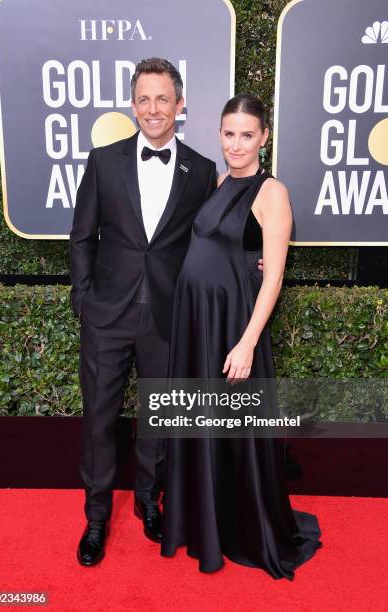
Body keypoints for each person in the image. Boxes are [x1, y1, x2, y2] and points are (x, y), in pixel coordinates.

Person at [161, 94, 322, 579]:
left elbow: (272, 275)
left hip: (231, 327)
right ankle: (202, 519)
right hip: (197, 323)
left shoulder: (273, 193)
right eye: (229, 133)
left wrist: (247, 341)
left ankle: (236, 526)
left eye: (246, 135)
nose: (236, 144)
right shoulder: (216, 181)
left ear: (263, 138)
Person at [69, 57, 218, 566]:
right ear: (133, 105)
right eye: (144, 99)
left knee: (159, 416)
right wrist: (84, 300)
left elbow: (209, 241)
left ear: (179, 106)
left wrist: (254, 255)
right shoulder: (104, 160)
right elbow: (82, 236)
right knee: (99, 420)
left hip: (169, 316)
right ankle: (95, 518)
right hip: (107, 313)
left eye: (163, 99)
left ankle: (148, 503)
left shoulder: (201, 170)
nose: (153, 109)